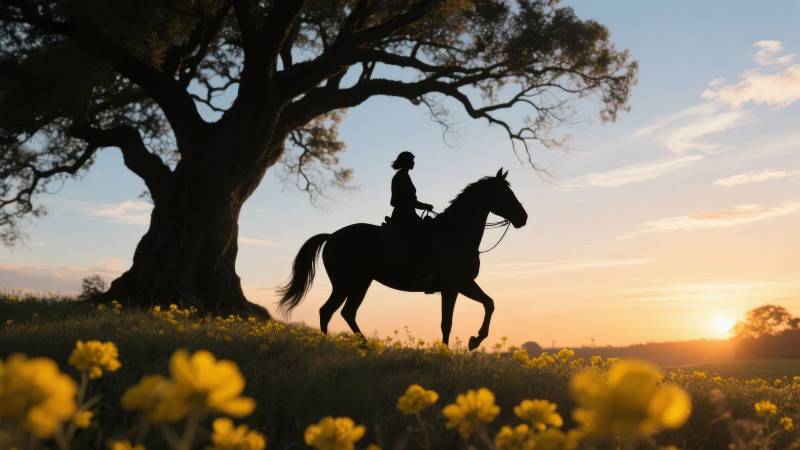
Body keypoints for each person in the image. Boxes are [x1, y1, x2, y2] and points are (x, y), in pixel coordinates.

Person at [390, 151, 433, 229]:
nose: (413, 162)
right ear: (406, 161)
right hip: (405, 217)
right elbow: (409, 201)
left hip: (407, 214)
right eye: (412, 160)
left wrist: (424, 206)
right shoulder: (402, 176)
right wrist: (425, 206)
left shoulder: (403, 175)